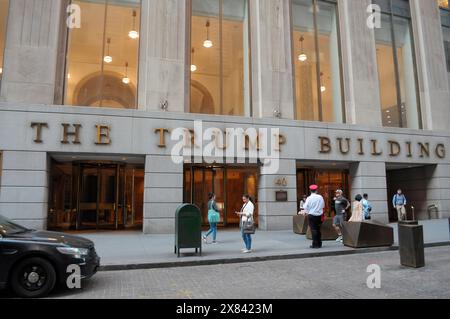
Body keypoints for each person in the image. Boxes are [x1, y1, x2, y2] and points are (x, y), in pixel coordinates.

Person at [303, 185, 325, 249]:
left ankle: (315, 244)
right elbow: (323, 205)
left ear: (310, 190)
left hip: (312, 215)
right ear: (316, 190)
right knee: (318, 229)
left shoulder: (309, 198)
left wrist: (308, 210)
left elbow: (305, 207)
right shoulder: (320, 197)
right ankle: (319, 243)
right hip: (319, 215)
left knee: (314, 230)